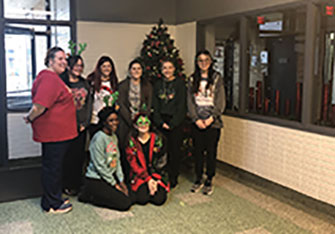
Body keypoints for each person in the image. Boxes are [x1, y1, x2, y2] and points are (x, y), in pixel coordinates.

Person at [24, 47, 77, 213]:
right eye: (59, 59)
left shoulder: (54, 78)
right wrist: (30, 117)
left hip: (59, 134)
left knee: (54, 166)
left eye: (65, 59)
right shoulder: (48, 78)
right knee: (53, 168)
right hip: (54, 135)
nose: (64, 62)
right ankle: (52, 204)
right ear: (50, 61)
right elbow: (39, 106)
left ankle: (52, 197)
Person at [78, 105, 132, 211]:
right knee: (124, 203)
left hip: (107, 177)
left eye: (116, 120)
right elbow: (100, 166)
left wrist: (121, 181)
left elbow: (117, 161)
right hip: (96, 179)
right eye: (111, 120)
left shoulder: (114, 137)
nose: (115, 123)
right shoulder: (98, 138)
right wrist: (115, 185)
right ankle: (88, 195)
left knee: (131, 195)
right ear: (104, 122)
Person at [187, 50, 226, 195]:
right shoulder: (192, 79)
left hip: (212, 123)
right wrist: (196, 119)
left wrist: (211, 118)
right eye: (200, 60)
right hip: (197, 123)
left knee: (211, 152)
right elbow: (190, 102)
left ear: (210, 62)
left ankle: (209, 178)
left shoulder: (217, 78)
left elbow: (220, 101)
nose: (203, 63)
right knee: (197, 152)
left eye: (206, 60)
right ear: (197, 63)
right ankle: (198, 178)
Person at [152, 59, 186, 188]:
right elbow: (155, 105)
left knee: (174, 151)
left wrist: (172, 124)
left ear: (174, 69)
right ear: (161, 70)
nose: (167, 70)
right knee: (160, 151)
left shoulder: (180, 84)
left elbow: (181, 106)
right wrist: (160, 122)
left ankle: (173, 177)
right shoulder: (157, 84)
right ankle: (160, 175)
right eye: (164, 68)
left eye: (170, 67)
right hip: (161, 121)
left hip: (175, 122)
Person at [60, 55, 92, 196]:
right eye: (76, 65)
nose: (79, 68)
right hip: (65, 127)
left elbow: (89, 105)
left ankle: (77, 184)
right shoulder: (62, 82)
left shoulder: (85, 83)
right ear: (69, 66)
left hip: (81, 127)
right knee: (66, 156)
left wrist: (85, 122)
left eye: (81, 65)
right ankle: (66, 184)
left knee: (79, 156)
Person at [117, 59, 152, 181]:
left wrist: (140, 120)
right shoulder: (122, 85)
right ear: (130, 71)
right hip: (126, 121)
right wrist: (131, 120)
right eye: (134, 69)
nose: (136, 71)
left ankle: (141, 176)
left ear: (142, 71)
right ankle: (125, 177)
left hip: (142, 122)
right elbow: (120, 104)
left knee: (140, 149)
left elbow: (149, 104)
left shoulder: (147, 86)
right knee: (125, 148)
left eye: (139, 69)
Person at [126, 113, 169, 206]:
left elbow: (162, 160)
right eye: (140, 122)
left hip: (156, 174)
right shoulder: (132, 142)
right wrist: (148, 179)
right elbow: (133, 164)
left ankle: (151, 188)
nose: (143, 125)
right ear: (135, 125)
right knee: (142, 199)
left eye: (146, 122)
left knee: (159, 199)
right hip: (140, 175)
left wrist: (154, 179)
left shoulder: (158, 139)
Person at [87, 56, 118, 138]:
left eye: (109, 66)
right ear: (99, 68)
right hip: (95, 120)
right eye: (104, 66)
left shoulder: (114, 82)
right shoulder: (92, 82)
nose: (106, 68)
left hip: (109, 121)